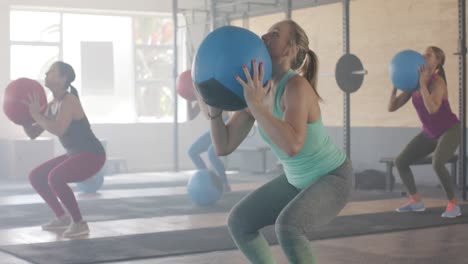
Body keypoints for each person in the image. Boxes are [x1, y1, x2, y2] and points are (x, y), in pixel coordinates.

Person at [206, 19, 353, 264]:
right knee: (240, 222)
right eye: (266, 32)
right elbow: (224, 145)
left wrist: (255, 105)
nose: (264, 37)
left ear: (289, 50)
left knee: (289, 228)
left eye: (274, 34)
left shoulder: (296, 86)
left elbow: (292, 144)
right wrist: (214, 110)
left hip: (333, 178)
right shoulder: (257, 89)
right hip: (296, 180)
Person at [23, 61, 106, 237]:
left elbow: (58, 129)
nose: (46, 73)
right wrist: (23, 117)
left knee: (55, 177)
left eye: (51, 71)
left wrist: (36, 114)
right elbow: (33, 133)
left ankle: (79, 223)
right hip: (75, 154)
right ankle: (63, 218)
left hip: (92, 155)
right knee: (36, 176)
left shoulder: (70, 101)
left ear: (63, 79)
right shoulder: (52, 104)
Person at [388, 46, 461, 218]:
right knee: (401, 161)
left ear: (437, 63)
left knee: (438, 163)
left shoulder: (437, 82)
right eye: (424, 53)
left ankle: (453, 205)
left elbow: (433, 109)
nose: (423, 56)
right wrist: (395, 85)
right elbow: (392, 107)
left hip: (450, 130)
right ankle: (416, 201)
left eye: (429, 55)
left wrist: (422, 84)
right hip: (429, 133)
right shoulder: (413, 84)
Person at [187, 100, 231, 192]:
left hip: (226, 124)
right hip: (214, 128)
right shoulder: (199, 97)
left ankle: (224, 183)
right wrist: (188, 99)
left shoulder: (207, 90)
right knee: (192, 152)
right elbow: (190, 116)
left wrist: (199, 97)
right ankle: (206, 179)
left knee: (212, 152)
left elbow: (210, 114)